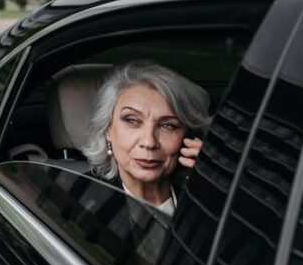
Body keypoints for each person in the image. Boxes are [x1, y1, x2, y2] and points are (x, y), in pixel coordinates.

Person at [83, 60, 211, 215]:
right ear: (108, 129)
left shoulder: (206, 197)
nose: (149, 142)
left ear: (187, 136)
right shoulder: (80, 196)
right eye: (132, 121)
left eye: (168, 126)